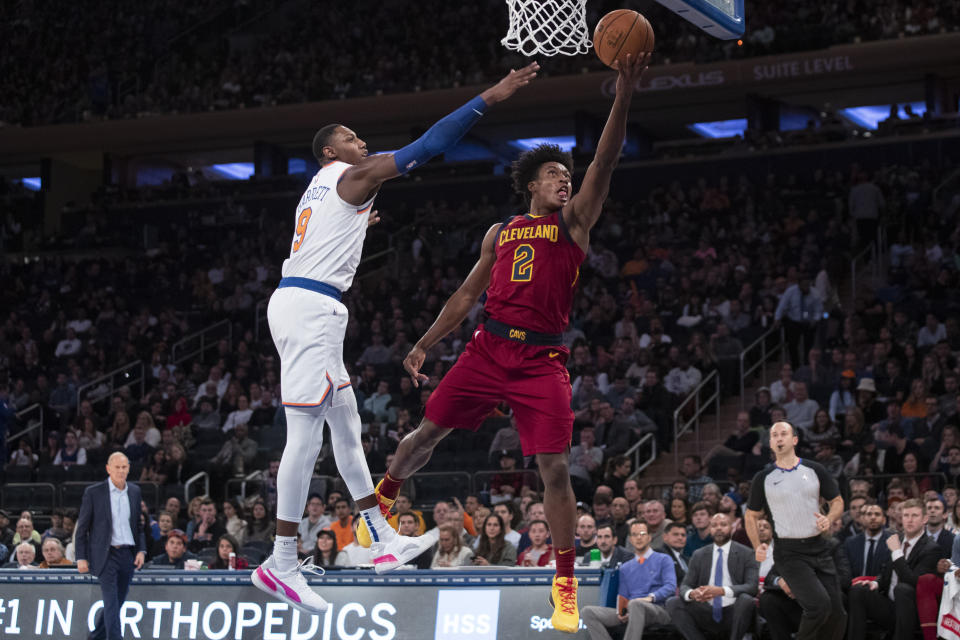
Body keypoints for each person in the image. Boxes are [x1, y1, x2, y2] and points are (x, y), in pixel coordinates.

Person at [364, 53, 650, 633]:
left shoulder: (574, 223)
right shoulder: (501, 232)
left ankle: (564, 581)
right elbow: (466, 297)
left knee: (555, 469)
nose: (564, 178)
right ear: (529, 184)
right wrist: (424, 343)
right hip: (486, 349)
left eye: (566, 174)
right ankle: (383, 500)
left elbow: (607, 156)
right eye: (552, 174)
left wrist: (623, 92)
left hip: (541, 359)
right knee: (427, 432)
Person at [251, 63, 539, 614]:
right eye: (351, 138)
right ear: (332, 153)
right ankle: (281, 563)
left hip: (313, 307)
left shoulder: (321, 190)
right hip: (309, 309)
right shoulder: (351, 175)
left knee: (348, 426)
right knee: (304, 439)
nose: (362, 142)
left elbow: (326, 233)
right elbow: (429, 144)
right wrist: (489, 97)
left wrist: (360, 224)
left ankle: (380, 541)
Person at [744, 421, 846, 640]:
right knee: (819, 606)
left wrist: (829, 518)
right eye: (774, 435)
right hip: (789, 553)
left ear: (794, 440)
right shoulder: (764, 478)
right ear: (770, 443)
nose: (779, 438)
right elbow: (751, 515)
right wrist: (756, 546)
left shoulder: (814, 469)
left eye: (783, 434)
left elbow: (837, 500)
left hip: (819, 547)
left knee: (837, 614)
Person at [75, 452, 147, 640]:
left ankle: (95, 637)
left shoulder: (134, 491)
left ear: (129, 468)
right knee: (111, 603)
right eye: (117, 467)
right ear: (108, 468)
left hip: (127, 555)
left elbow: (139, 525)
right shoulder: (94, 492)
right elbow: (82, 527)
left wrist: (141, 550)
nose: (121, 471)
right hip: (106, 555)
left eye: (124, 467)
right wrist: (81, 557)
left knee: (117, 603)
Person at [846, 499, 941, 640]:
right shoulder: (897, 539)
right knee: (858, 590)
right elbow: (886, 573)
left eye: (914, 516)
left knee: (902, 589)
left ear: (924, 519)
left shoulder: (931, 548)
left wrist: (897, 552)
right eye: (906, 516)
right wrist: (876, 583)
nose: (909, 520)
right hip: (890, 607)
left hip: (914, 612)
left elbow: (914, 582)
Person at [665, 513, 758, 640]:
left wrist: (721, 591)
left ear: (732, 528)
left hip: (733, 610)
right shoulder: (699, 554)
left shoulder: (747, 553)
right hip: (706, 609)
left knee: (746, 600)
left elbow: (752, 587)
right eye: (714, 525)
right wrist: (693, 593)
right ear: (710, 529)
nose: (719, 528)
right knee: (673, 602)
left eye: (723, 524)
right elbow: (685, 585)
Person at [581, 521, 676, 640]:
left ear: (649, 537)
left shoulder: (664, 559)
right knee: (588, 611)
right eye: (635, 535)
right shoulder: (625, 567)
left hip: (657, 609)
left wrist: (650, 597)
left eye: (642, 534)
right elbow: (623, 595)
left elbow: (671, 586)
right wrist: (621, 611)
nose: (639, 538)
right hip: (632, 609)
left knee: (635, 603)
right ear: (630, 539)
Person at [844, 502, 892, 579]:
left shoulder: (891, 543)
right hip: (855, 587)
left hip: (881, 588)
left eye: (877, 514)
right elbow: (846, 571)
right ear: (863, 519)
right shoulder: (850, 543)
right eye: (869, 514)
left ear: (884, 520)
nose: (873, 517)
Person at [657, 522, 690, 586]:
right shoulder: (659, 554)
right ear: (665, 537)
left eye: (683, 535)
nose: (680, 538)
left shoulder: (687, 559)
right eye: (675, 534)